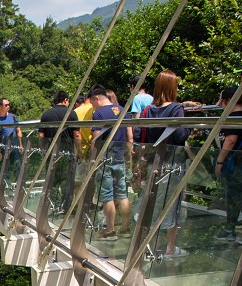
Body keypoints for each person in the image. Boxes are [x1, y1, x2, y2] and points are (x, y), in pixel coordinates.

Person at [133, 70, 190, 258]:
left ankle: (148, 244)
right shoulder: (176, 109)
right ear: (172, 87)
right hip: (172, 165)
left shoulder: (148, 110)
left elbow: (140, 135)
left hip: (154, 164)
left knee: (152, 203)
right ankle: (170, 248)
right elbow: (181, 136)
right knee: (171, 205)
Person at [88, 84, 134, 240]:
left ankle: (110, 230)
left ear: (96, 98)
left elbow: (96, 139)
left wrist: (92, 159)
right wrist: (129, 156)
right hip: (120, 157)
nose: (93, 106)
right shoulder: (122, 110)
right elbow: (129, 137)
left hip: (105, 158)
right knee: (122, 193)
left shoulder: (99, 114)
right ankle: (126, 227)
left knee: (107, 195)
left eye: (92, 103)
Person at [213, 86, 242, 245]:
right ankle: (229, 228)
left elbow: (230, 141)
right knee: (233, 197)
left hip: (237, 165)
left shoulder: (233, 118)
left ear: (228, 101)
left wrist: (219, 161)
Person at [39, 90, 81, 210]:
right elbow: (77, 134)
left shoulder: (46, 115)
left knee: (52, 180)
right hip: (67, 152)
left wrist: (43, 151)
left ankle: (53, 206)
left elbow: (41, 136)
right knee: (67, 180)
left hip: (51, 152)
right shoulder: (71, 114)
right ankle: (65, 207)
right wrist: (79, 152)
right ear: (66, 100)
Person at [0, 97, 23, 187]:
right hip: (4, 147)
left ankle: (19, 185)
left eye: (9, 105)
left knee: (18, 165)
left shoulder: (13, 117)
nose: (8, 106)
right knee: (5, 167)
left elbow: (18, 130)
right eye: (6, 105)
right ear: (0, 106)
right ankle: (4, 186)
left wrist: (20, 144)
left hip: (14, 144)